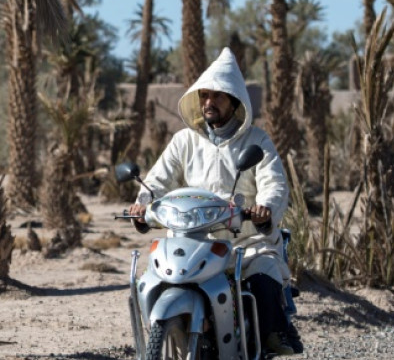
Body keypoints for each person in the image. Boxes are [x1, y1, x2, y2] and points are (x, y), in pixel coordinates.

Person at [128, 47, 303, 356]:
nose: (208, 103)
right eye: (205, 96)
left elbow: (274, 185)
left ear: (233, 101)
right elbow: (156, 181)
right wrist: (142, 204)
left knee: (262, 277)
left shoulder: (257, 141)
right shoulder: (185, 140)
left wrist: (264, 210)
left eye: (217, 97)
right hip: (193, 241)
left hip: (244, 243)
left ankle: (272, 337)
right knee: (151, 278)